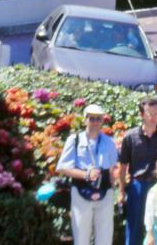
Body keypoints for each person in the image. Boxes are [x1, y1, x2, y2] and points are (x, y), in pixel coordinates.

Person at [57, 104, 119, 245]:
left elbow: (111, 169)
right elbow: (62, 167)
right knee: (81, 238)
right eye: (92, 119)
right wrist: (86, 174)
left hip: (104, 191)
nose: (95, 122)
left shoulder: (109, 142)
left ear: (102, 121)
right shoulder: (74, 140)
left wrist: (112, 190)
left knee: (105, 238)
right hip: (81, 190)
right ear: (85, 120)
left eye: (99, 119)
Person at [119, 97, 157, 245]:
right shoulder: (130, 137)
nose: (153, 117)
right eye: (150, 113)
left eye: (156, 113)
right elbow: (123, 166)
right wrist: (121, 191)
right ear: (141, 115)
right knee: (134, 225)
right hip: (137, 186)